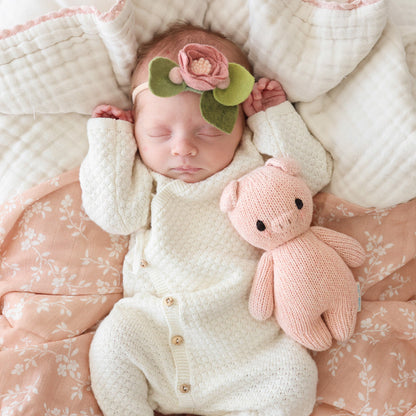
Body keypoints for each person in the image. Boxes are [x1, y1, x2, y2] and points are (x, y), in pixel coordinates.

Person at [80, 22, 333, 416]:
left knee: (294, 380)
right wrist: (111, 141)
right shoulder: (146, 181)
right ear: (137, 131)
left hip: (249, 348)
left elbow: (310, 175)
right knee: (114, 341)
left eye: (209, 133)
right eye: (159, 134)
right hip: (158, 332)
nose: (183, 149)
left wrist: (271, 117)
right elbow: (113, 215)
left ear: (239, 127)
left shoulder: (253, 164)